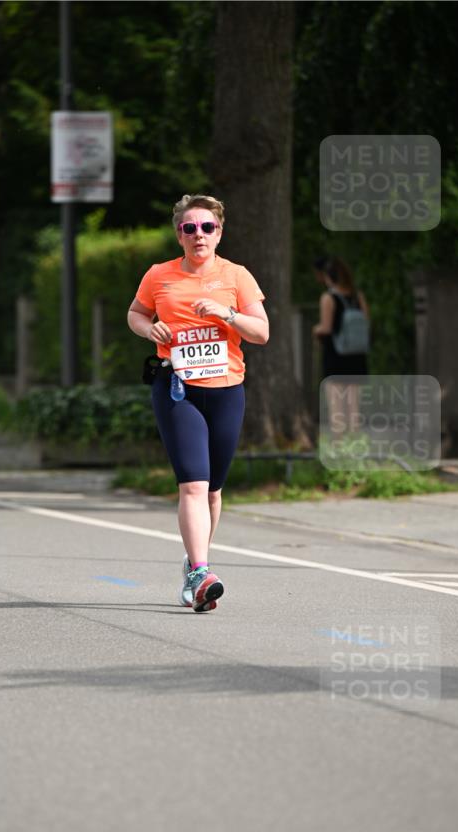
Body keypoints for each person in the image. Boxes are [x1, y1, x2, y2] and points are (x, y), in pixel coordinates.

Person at [127, 193, 269, 612]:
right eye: (189, 228)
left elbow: (261, 332)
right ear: (179, 235)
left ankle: (195, 563)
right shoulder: (159, 275)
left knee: (213, 490)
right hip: (177, 389)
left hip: (226, 390)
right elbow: (135, 313)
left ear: (219, 232)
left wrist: (226, 314)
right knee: (192, 483)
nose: (198, 235)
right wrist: (148, 329)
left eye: (207, 227)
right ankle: (201, 572)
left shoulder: (237, 276)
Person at [312, 255, 370, 378]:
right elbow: (366, 322)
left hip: (336, 356)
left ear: (329, 277)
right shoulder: (358, 296)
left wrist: (316, 329)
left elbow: (326, 328)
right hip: (358, 356)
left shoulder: (328, 298)